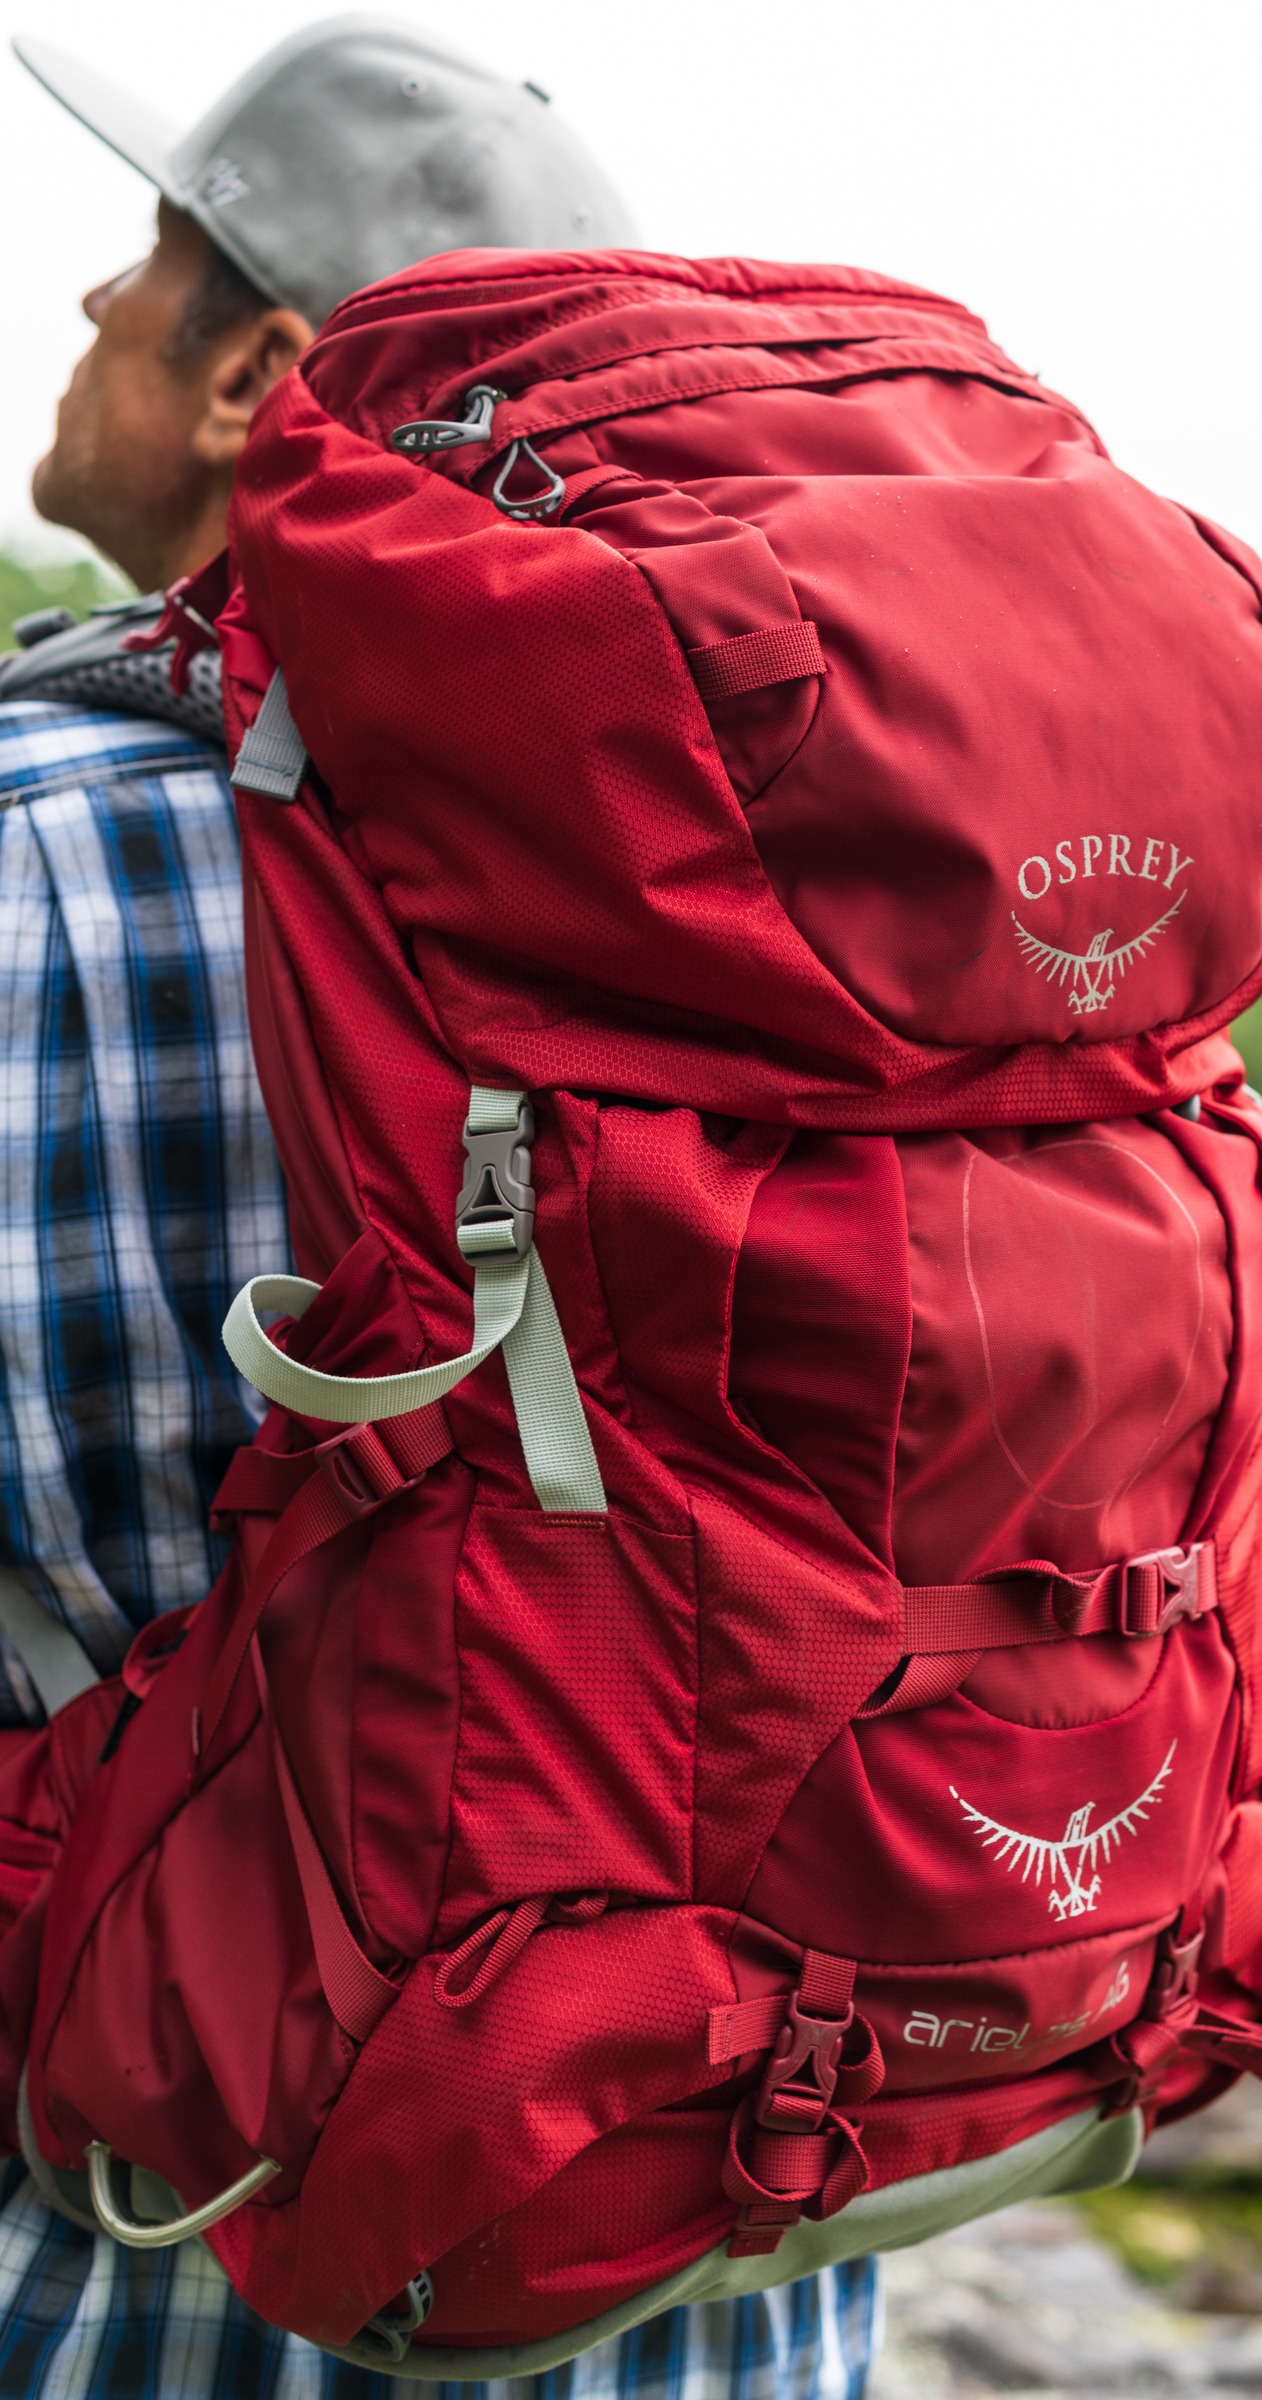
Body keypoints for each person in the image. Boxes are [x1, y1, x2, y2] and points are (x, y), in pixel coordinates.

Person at [0, 21, 881, 2398]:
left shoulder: (31, 859)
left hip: (147, 2259)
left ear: (258, 378)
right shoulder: (812, 912)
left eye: (149, 263)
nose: (88, 305)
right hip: (707, 2237)